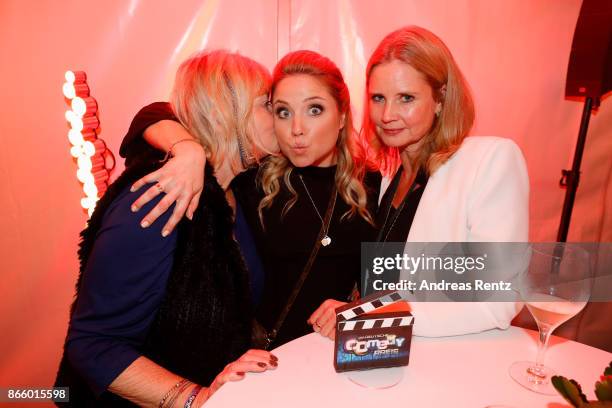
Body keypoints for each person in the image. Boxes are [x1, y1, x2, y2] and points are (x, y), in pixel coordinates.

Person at [54, 50, 278, 407]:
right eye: (267, 104)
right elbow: (93, 344)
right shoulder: (158, 201)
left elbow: (151, 115)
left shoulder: (240, 190)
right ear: (227, 112)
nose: (280, 113)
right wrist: (194, 399)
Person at [118, 50, 380, 347]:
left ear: (342, 115)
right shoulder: (256, 176)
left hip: (335, 355)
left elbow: (395, 285)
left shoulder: (373, 185)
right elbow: (153, 113)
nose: (296, 129)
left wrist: (357, 310)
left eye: (315, 109)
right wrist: (186, 148)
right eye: (282, 111)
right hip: (260, 360)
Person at [362, 26, 528, 336]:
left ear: (440, 99)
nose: (387, 114)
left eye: (406, 98)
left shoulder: (488, 161)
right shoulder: (385, 176)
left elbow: (498, 301)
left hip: (447, 362)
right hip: (380, 353)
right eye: (378, 98)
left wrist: (381, 317)